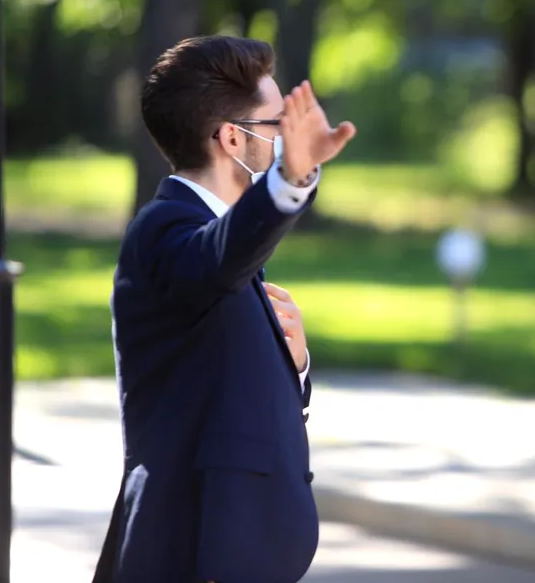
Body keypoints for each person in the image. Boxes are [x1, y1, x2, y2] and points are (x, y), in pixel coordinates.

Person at [92, 35, 356, 583]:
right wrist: (289, 179)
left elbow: (227, 390)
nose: (289, 138)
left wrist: (295, 364)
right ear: (233, 137)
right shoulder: (165, 229)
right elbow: (220, 256)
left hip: (229, 554)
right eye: (278, 124)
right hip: (194, 554)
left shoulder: (220, 239)